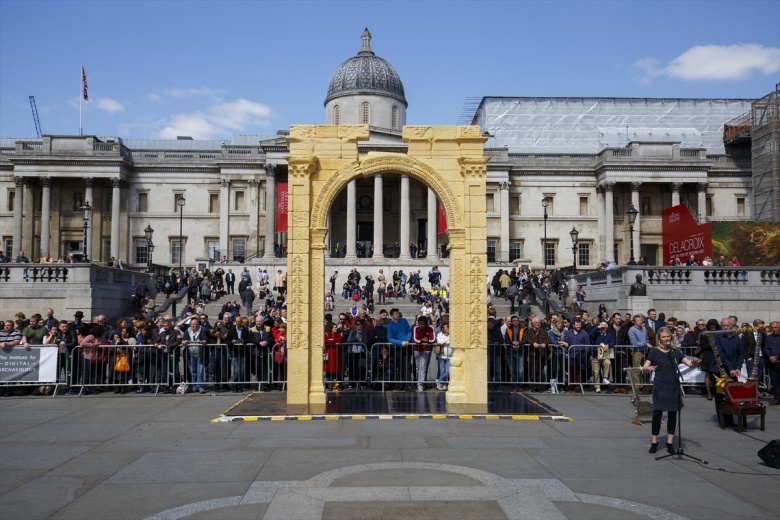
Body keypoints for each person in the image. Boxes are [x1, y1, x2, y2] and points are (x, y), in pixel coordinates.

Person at [642, 327, 700, 454]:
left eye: (668, 336)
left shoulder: (675, 352)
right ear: (659, 339)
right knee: (657, 414)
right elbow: (645, 366)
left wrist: (694, 363)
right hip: (660, 385)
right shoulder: (654, 352)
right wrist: (648, 368)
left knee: (673, 414)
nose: (666, 339)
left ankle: (669, 443)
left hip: (673, 386)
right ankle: (654, 441)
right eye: (663, 337)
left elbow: (689, 364)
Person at [709, 317, 744, 427]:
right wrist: (730, 368)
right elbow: (721, 354)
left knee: (731, 395)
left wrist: (738, 367)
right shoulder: (717, 336)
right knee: (720, 396)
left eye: (727, 326)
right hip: (718, 370)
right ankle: (722, 420)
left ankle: (730, 419)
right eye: (723, 325)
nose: (725, 327)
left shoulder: (736, 338)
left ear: (732, 326)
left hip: (733, 370)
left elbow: (740, 354)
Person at [590, 320, 615, 393]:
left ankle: (605, 377)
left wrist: (608, 345)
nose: (603, 329)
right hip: (595, 355)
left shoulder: (609, 335)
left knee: (608, 363)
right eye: (602, 327)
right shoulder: (596, 333)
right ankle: (597, 386)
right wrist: (597, 327)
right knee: (596, 372)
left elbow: (613, 342)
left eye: (604, 328)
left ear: (607, 328)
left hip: (605, 355)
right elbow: (590, 334)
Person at [412, 315, 435, 392]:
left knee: (423, 367)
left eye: (423, 324)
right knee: (419, 367)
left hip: (426, 350)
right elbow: (416, 339)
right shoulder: (416, 328)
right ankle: (422, 382)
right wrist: (423, 340)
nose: (421, 325)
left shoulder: (431, 328)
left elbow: (432, 340)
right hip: (417, 350)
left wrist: (426, 341)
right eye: (420, 324)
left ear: (426, 324)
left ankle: (420, 385)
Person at [762, 321, 780, 406]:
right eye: (772, 328)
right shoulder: (769, 338)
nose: (774, 329)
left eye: (775, 327)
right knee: (775, 381)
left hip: (779, 361)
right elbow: (766, 348)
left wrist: (776, 357)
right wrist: (770, 356)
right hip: (772, 362)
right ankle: (777, 398)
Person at [435, 323, 452, 391]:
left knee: (448, 372)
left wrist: (445, 342)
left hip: (449, 356)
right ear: (442, 328)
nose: (448, 328)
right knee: (442, 371)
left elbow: (451, 341)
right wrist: (447, 341)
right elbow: (440, 341)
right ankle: (444, 385)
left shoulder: (451, 335)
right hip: (442, 356)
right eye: (446, 327)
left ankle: (439, 380)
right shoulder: (439, 335)